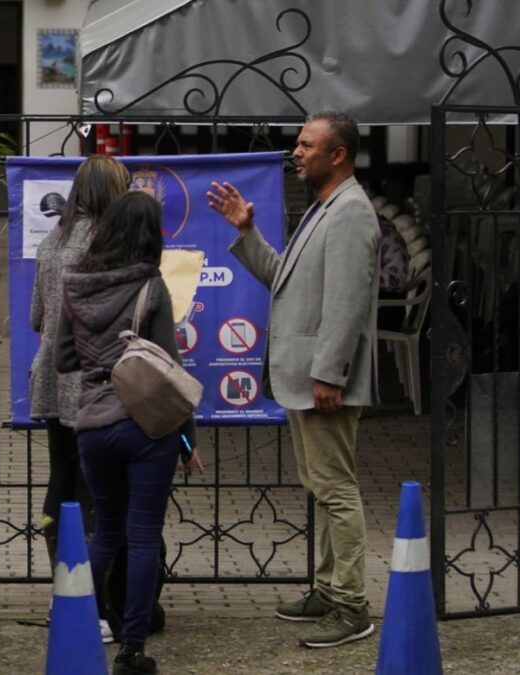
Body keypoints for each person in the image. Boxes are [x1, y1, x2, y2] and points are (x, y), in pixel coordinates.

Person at [207, 110, 380, 648]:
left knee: (336, 490)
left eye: (307, 146)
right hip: (308, 378)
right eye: (297, 144)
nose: (296, 152)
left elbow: (347, 304)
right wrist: (247, 232)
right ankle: (329, 591)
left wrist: (329, 373)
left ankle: (351, 606)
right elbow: (286, 280)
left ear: (338, 155)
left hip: (321, 380)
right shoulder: (326, 208)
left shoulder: (350, 212)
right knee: (323, 488)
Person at [56, 190, 200, 675]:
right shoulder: (151, 286)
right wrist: (188, 439)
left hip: (92, 424)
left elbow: (62, 358)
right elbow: (168, 370)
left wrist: (100, 360)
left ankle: (76, 621)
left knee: (105, 532)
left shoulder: (73, 282)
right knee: (142, 538)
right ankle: (132, 651)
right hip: (144, 428)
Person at [29, 155, 129, 568]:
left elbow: (37, 316)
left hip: (54, 376)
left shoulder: (53, 240)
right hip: (96, 383)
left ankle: (63, 579)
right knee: (98, 488)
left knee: (62, 479)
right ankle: (95, 591)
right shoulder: (109, 243)